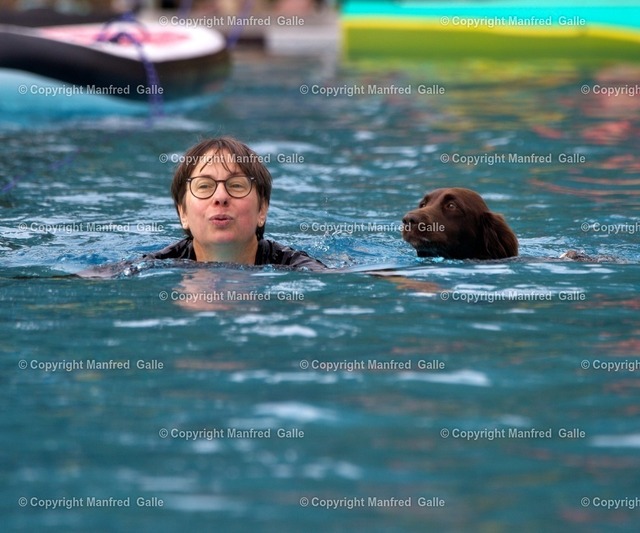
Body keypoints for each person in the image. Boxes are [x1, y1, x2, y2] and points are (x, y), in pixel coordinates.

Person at [144, 137, 326, 270]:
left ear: (262, 210)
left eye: (237, 185)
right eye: (204, 186)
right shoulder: (151, 267)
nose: (220, 197)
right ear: (183, 213)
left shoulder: (298, 268)